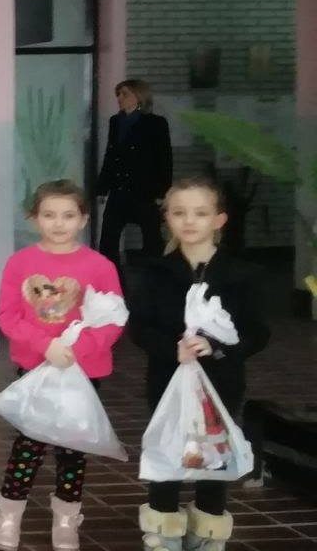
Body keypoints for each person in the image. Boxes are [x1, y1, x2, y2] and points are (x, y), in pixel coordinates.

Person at [129, 179, 269, 551]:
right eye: (179, 213)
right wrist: (170, 348)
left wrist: (217, 347)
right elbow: (138, 327)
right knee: (168, 449)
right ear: (167, 218)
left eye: (200, 213)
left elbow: (258, 332)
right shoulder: (155, 272)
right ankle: (163, 528)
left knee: (214, 455)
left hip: (222, 382)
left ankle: (208, 529)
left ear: (219, 220)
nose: (189, 221)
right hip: (167, 380)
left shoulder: (242, 274)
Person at [0, 180, 124, 551]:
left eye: (68, 215)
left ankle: (67, 515)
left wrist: (79, 348)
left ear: (83, 219)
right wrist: (44, 344)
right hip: (36, 368)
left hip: (83, 371)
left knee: (72, 447)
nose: (59, 223)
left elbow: (114, 318)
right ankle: (9, 510)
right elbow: (7, 315)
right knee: (29, 442)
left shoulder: (99, 266)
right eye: (49, 215)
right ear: (34, 218)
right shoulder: (21, 263)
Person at [97, 78, 173, 265]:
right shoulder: (116, 121)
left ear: (139, 96)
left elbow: (164, 158)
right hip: (119, 189)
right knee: (108, 239)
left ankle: (156, 275)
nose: (119, 98)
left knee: (152, 238)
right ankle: (111, 276)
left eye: (125, 94)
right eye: (118, 94)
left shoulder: (155, 123)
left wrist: (162, 192)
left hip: (144, 190)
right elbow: (111, 155)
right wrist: (102, 187)